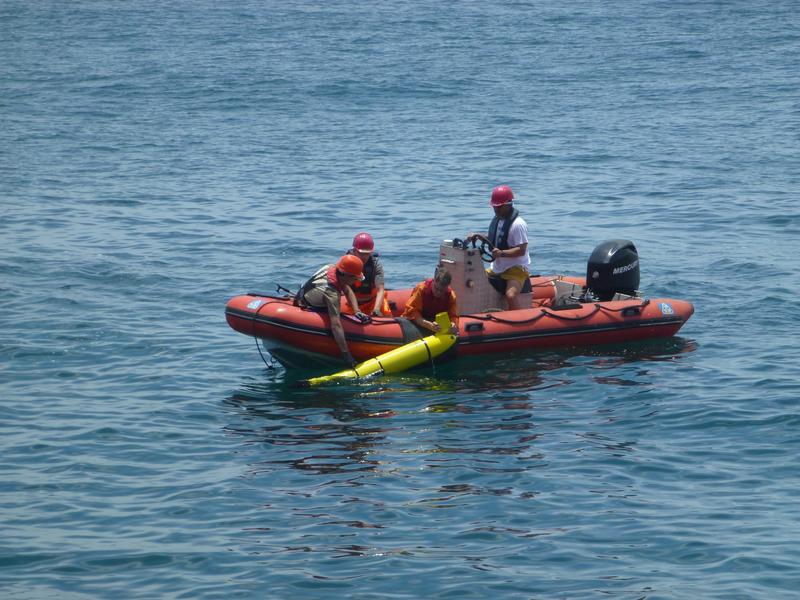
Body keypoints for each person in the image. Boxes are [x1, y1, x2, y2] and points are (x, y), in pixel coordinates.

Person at [295, 254, 366, 367]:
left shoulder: (332, 268)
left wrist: (357, 311)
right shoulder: (331, 293)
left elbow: (347, 290)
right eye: (355, 278)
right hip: (311, 305)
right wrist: (347, 355)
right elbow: (335, 325)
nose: (355, 281)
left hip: (303, 294)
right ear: (347, 276)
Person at [468, 184, 531, 310]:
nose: (496, 210)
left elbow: (521, 250)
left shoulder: (518, 225)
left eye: (499, 207)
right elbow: (494, 238)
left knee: (510, 295)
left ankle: (518, 321)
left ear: (508, 204)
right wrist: (478, 236)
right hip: (498, 267)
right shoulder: (498, 220)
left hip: (516, 269)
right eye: (494, 207)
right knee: (474, 281)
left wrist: (502, 253)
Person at [343, 232, 391, 317]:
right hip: (354, 304)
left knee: (385, 315)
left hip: (373, 301)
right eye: (361, 253)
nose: (365, 257)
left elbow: (380, 290)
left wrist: (376, 309)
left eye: (367, 253)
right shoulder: (346, 263)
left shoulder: (375, 265)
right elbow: (344, 288)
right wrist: (356, 310)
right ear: (354, 251)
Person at [401, 266, 459, 335]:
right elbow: (412, 312)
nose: (438, 292)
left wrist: (453, 324)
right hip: (419, 321)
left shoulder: (451, 296)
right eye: (436, 288)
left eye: (442, 291)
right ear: (433, 281)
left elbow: (453, 315)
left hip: (436, 324)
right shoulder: (421, 289)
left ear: (447, 287)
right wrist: (429, 325)